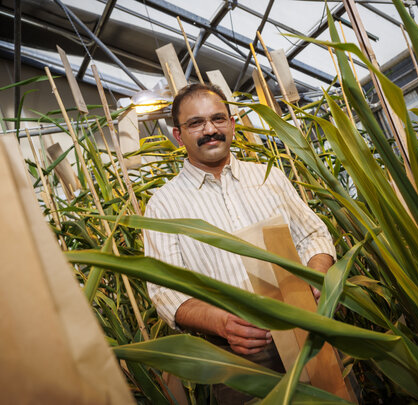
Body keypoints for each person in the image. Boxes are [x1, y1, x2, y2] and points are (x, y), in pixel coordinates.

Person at [143, 83, 336, 403]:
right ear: (179, 136)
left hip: (306, 325)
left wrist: (315, 275)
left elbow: (314, 235)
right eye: (196, 123)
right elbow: (166, 292)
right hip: (239, 353)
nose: (210, 130)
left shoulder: (269, 177)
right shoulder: (163, 206)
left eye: (218, 119)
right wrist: (221, 322)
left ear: (233, 123)